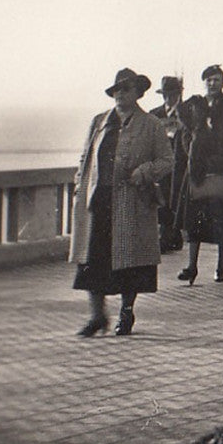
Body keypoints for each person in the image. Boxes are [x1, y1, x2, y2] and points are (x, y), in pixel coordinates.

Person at [71, 68, 173, 337]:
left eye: (126, 89)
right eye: (116, 89)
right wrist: (80, 184)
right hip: (100, 200)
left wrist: (144, 172)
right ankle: (97, 316)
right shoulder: (99, 122)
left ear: (138, 93)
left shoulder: (151, 124)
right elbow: (85, 157)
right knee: (93, 260)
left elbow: (167, 160)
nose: (120, 94)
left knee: (131, 261)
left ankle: (126, 312)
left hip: (132, 201)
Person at [176, 64, 223, 283]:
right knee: (195, 220)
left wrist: (221, 157)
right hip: (199, 169)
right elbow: (186, 136)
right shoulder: (195, 107)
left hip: (222, 167)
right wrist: (192, 154)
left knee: (222, 220)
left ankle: (221, 265)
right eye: (209, 80)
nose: (212, 84)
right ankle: (192, 266)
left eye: (217, 80)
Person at [148, 76, 188, 253]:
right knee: (162, 199)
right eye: (165, 95)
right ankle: (166, 236)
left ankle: (174, 236)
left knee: (177, 199)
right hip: (162, 163)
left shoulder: (186, 113)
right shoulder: (155, 114)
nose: (168, 98)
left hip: (180, 163)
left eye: (172, 94)